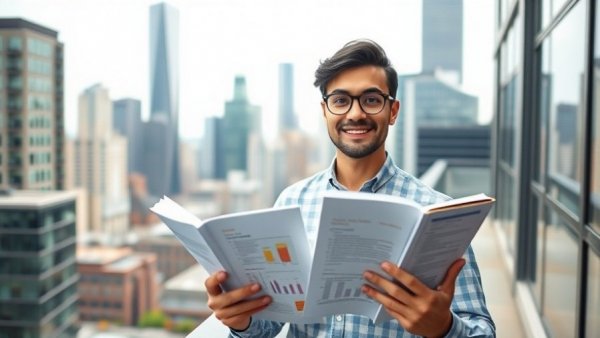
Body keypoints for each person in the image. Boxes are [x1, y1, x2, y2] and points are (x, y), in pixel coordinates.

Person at [205, 39, 495, 337]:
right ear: (325, 111)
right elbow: (269, 324)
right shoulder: (292, 201)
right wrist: (242, 321)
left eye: (371, 100)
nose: (355, 114)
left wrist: (445, 328)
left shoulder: (437, 214)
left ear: (393, 111)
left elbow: (482, 331)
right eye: (341, 100)